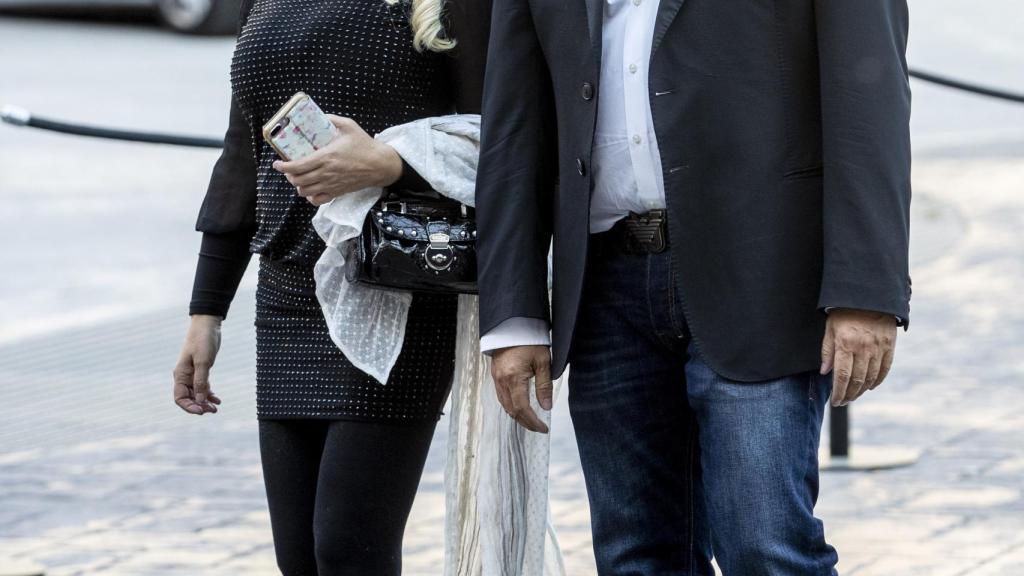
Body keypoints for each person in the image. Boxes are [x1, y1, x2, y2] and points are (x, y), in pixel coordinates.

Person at [476, 0, 911, 574]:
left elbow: (869, 98)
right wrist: (516, 314)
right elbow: (512, 122)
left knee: (765, 547)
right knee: (636, 556)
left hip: (764, 273)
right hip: (606, 288)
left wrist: (865, 290)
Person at [170, 0, 491, 573]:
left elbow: (504, 136)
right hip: (286, 292)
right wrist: (206, 310)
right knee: (298, 558)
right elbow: (242, 151)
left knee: (349, 550)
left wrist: (393, 162)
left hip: (395, 292)